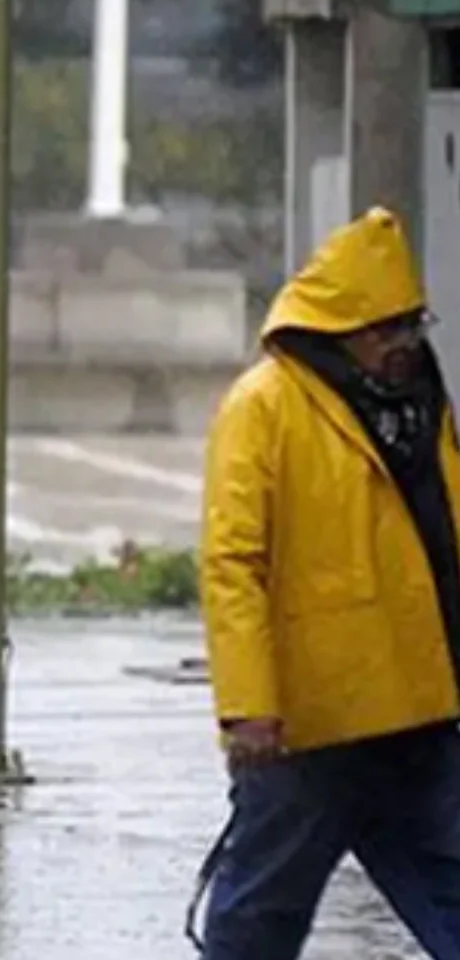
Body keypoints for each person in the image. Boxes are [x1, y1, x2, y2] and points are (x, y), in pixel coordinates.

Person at [197, 207, 460, 959]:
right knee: (258, 919)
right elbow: (233, 563)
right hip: (308, 725)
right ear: (338, 328)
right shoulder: (265, 408)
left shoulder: (415, 409)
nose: (405, 344)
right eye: (388, 329)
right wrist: (250, 708)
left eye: (413, 324)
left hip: (414, 712)